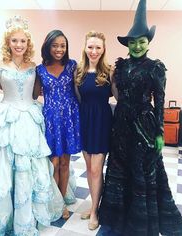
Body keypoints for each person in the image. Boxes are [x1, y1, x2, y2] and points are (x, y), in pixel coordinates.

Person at [98, 0, 182, 235]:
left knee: (142, 169)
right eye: (133, 42)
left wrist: (159, 132)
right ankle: (119, 218)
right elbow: (115, 93)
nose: (137, 46)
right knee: (120, 168)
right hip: (120, 125)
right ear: (127, 44)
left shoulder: (155, 68)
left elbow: (159, 101)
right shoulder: (120, 66)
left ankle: (140, 221)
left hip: (144, 126)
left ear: (148, 42)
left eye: (141, 41)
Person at [0, 16, 64, 235]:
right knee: (2, 167)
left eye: (22, 41)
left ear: (27, 43)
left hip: (29, 117)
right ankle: (5, 216)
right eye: (14, 41)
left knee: (27, 167)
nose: (19, 45)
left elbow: (37, 93)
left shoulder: (34, 67)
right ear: (8, 43)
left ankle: (25, 216)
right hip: (5, 116)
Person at [34, 30, 81, 219]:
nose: (59, 49)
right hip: (50, 119)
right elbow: (33, 95)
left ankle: (61, 203)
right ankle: (54, 202)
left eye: (63, 45)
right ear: (47, 46)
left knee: (65, 162)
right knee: (53, 162)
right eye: (55, 45)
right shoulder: (40, 69)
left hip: (69, 118)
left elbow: (80, 91)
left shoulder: (72, 66)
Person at [75, 31, 113, 230]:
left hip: (102, 122)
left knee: (97, 169)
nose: (94, 51)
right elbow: (78, 99)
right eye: (90, 46)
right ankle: (94, 205)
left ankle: (96, 212)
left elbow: (119, 98)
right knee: (89, 169)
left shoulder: (110, 71)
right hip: (85, 121)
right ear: (85, 47)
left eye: (98, 47)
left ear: (103, 49)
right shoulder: (78, 71)